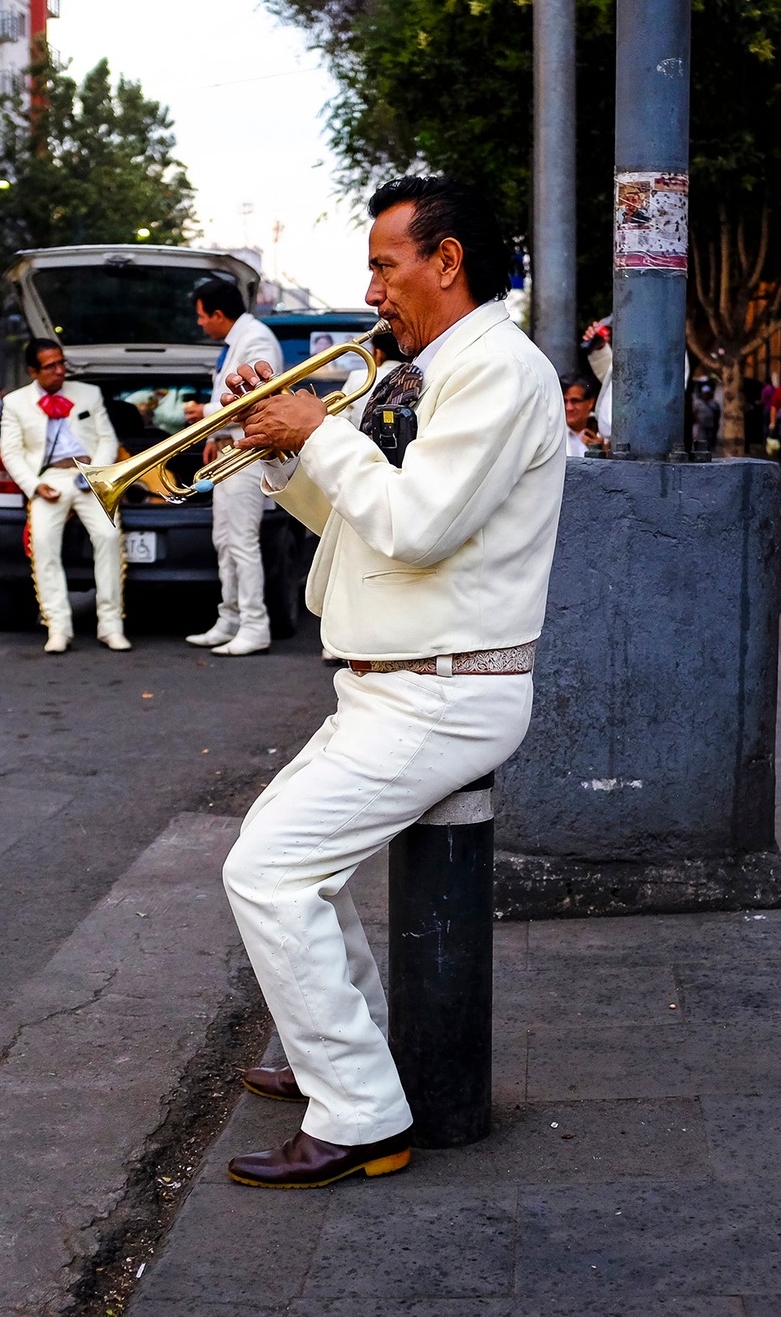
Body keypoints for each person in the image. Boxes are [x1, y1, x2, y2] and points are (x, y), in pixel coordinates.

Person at [212, 174, 564, 1190]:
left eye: (382, 264)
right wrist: (277, 454)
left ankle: (361, 1111)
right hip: (386, 684)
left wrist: (315, 429)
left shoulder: (497, 370)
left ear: (444, 262)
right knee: (289, 867)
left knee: (267, 872)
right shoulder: (416, 372)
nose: (371, 289)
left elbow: (417, 528)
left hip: (445, 688)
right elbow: (360, 522)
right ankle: (353, 1054)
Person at [0, 337, 129, 653]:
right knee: (42, 542)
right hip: (49, 479)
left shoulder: (89, 393)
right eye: (50, 366)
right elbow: (11, 453)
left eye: (61, 363)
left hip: (89, 476)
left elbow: (107, 440)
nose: (60, 371)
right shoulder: (14, 403)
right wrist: (33, 486)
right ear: (33, 371)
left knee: (109, 538)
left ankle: (111, 626)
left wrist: (96, 474)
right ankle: (58, 628)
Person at [185, 277, 284, 656]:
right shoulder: (238, 340)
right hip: (229, 452)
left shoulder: (256, 339)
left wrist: (203, 414)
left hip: (247, 454)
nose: (199, 324)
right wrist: (213, 437)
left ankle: (255, 625)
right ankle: (229, 619)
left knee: (242, 542)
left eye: (201, 317)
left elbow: (254, 398)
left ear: (218, 314)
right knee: (224, 542)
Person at [562, 374, 605, 457]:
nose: (568, 408)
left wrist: (604, 452)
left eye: (575, 401)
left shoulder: (604, 431)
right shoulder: (553, 433)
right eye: (564, 401)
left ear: (590, 403)